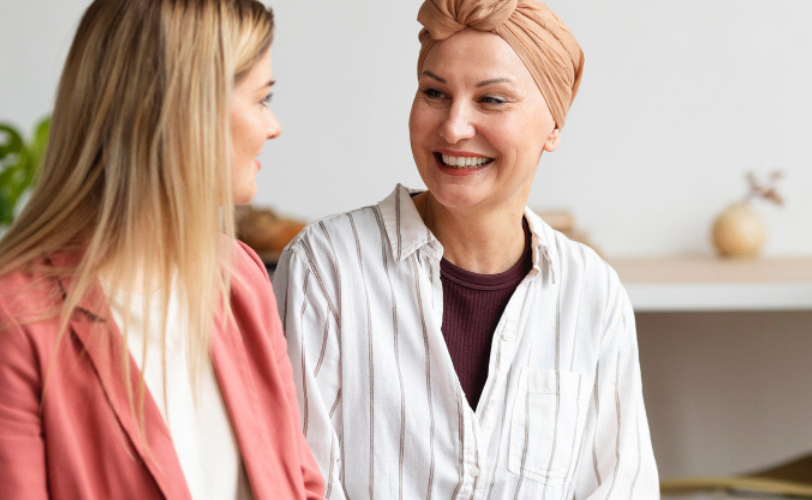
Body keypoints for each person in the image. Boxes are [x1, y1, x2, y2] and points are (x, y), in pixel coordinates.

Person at [0, 0, 325, 498]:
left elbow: (300, 484)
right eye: (261, 99)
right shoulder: (4, 328)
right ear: (187, 114)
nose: (273, 126)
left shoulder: (240, 279)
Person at [272, 0, 659, 497]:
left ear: (554, 125)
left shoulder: (592, 293)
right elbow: (298, 482)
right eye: (434, 92)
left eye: (492, 100)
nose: (454, 127)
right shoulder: (327, 267)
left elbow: (622, 488)